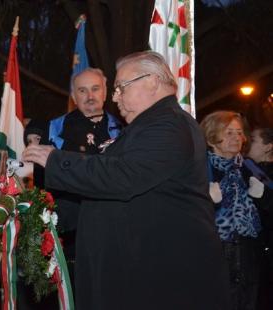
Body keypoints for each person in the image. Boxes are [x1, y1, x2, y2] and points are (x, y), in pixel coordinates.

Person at [23, 51, 229, 309]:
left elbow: (120, 176)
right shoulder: (147, 126)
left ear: (152, 81)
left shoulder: (168, 125)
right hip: (141, 273)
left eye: (121, 88)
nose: (115, 97)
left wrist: (56, 160)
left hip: (160, 278)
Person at [48, 68, 121, 275]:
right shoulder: (56, 130)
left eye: (95, 89)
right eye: (82, 90)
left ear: (105, 92)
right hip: (71, 232)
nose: (90, 96)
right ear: (73, 96)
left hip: (113, 229)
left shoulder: (123, 128)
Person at [201, 111, 264, 310]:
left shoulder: (249, 167)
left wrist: (264, 199)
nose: (236, 138)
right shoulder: (200, 168)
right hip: (215, 253)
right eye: (229, 133)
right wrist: (209, 202)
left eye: (239, 133)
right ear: (212, 136)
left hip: (248, 251)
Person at [246, 127, 273, 309]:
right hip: (254, 250)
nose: (247, 142)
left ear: (268, 147)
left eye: (254, 140)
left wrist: (265, 198)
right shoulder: (243, 168)